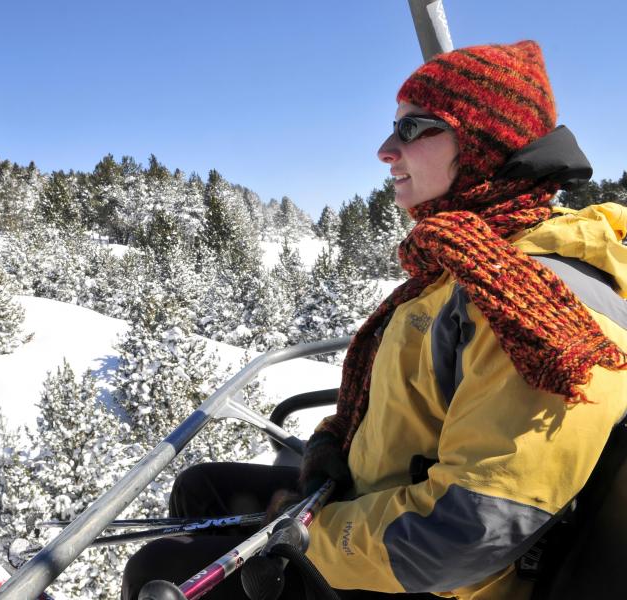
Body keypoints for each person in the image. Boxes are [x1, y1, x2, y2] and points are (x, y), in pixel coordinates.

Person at [121, 40, 627, 600]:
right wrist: (334, 444)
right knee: (203, 487)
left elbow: (470, 530)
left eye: (414, 129)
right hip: (385, 506)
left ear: (483, 142)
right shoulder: (469, 259)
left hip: (434, 579)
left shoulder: (531, 302)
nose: (386, 150)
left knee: (157, 569)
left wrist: (306, 538)